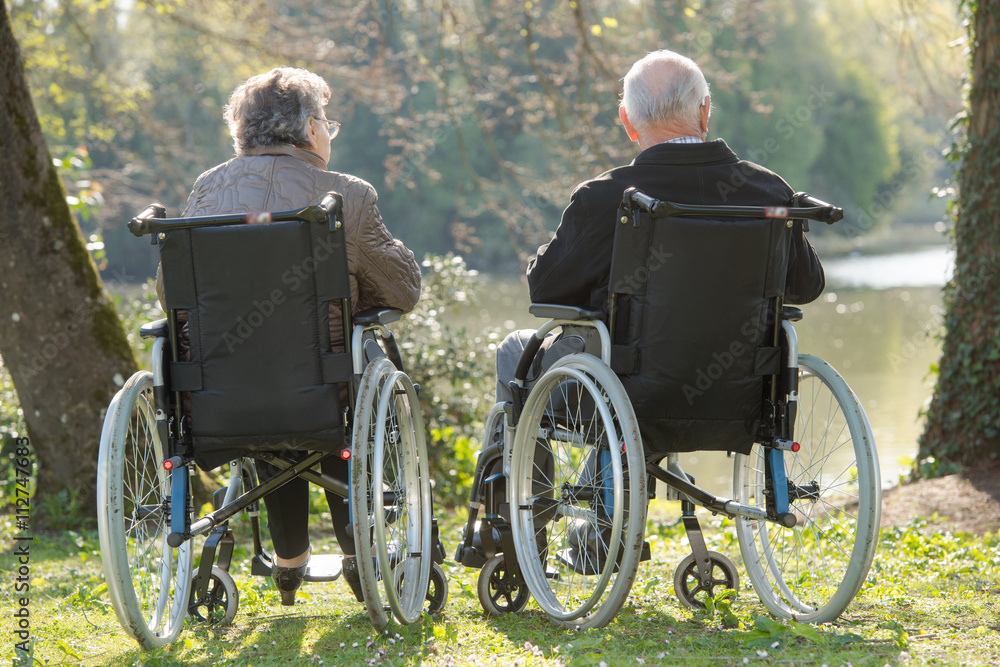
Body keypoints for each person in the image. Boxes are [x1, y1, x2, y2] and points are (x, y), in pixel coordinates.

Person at [155, 67, 421, 605]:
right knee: (328, 370)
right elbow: (402, 290)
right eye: (327, 120)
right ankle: (357, 555)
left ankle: (291, 558)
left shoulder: (207, 192)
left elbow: (172, 299)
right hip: (322, 392)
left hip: (216, 397)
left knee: (279, 374)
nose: (329, 131)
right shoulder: (345, 196)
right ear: (308, 130)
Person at [495, 49, 825, 403]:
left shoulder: (603, 197)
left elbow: (546, 290)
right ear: (706, 109)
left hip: (628, 393)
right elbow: (806, 286)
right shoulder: (768, 191)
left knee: (513, 349)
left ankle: (514, 459)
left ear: (627, 120)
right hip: (739, 394)